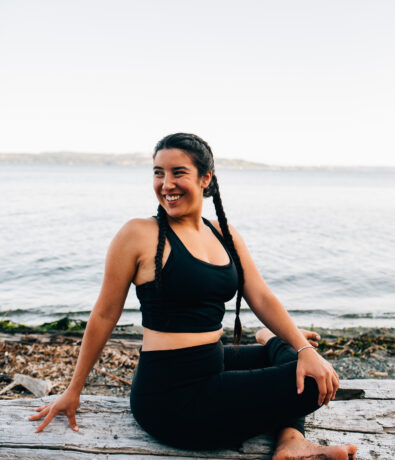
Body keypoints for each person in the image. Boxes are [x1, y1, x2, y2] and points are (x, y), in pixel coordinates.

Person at [29, 133, 357, 459]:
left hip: (212, 363)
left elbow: (261, 296)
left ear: (206, 178)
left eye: (178, 172)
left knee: (307, 357)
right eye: (158, 173)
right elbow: (104, 315)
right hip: (170, 398)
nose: (166, 183)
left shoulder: (224, 233)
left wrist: (301, 348)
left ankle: (290, 440)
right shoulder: (138, 234)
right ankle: (273, 360)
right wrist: (73, 391)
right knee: (313, 384)